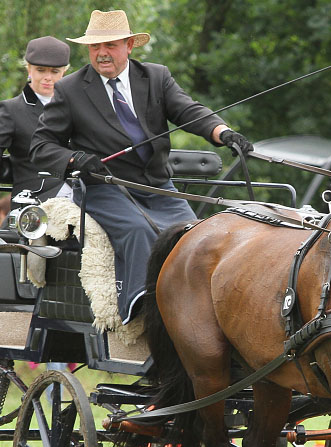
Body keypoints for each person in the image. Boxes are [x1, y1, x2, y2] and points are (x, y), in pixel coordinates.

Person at [30, 9, 253, 324]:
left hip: (157, 185)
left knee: (192, 236)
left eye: (110, 45)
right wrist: (74, 159)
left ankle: (201, 311)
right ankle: (143, 312)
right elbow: (41, 146)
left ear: (129, 45)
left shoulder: (155, 77)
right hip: (104, 188)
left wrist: (223, 133)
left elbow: (189, 111)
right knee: (138, 230)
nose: (102, 53)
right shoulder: (70, 89)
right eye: (95, 47)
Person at [0, 36, 73, 201]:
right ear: (29, 69)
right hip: (34, 199)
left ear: (64, 71)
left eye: (54, 71)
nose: (48, 77)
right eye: (41, 70)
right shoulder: (12, 109)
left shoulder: (75, 106)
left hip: (80, 192)